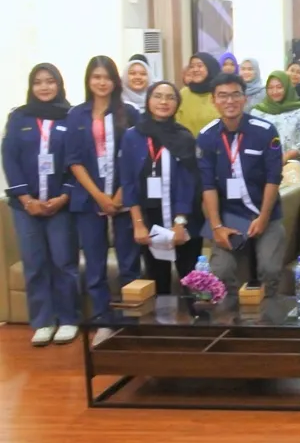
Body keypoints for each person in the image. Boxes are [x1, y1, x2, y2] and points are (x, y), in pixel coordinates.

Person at [3, 64, 79, 346]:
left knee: (63, 262)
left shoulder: (71, 116)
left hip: (61, 205)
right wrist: (27, 200)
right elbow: (9, 159)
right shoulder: (18, 117)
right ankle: (43, 321)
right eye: (38, 82)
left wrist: (64, 197)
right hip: (25, 207)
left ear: (59, 84)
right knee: (34, 264)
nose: (44, 87)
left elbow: (76, 160)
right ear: (31, 86)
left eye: (50, 81)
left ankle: (68, 319)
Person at [198, 73, 286, 310]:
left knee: (269, 268)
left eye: (235, 94)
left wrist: (263, 217)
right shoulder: (206, 137)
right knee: (221, 270)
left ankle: (268, 317)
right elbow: (207, 185)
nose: (230, 101)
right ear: (213, 100)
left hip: (266, 214)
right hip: (230, 217)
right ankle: (232, 317)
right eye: (222, 96)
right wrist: (217, 226)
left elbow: (273, 177)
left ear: (245, 98)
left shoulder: (265, 131)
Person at [67, 56, 142, 331]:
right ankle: (103, 321)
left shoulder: (130, 113)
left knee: (129, 264)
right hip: (89, 199)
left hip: (125, 198)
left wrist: (120, 194)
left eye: (107, 77)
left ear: (115, 81)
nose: (102, 82)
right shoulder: (76, 115)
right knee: (95, 266)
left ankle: (131, 322)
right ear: (89, 80)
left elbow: (138, 157)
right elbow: (73, 160)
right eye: (96, 77)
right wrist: (99, 196)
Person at [120, 81, 203, 296]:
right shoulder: (132, 137)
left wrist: (180, 222)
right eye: (157, 96)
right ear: (148, 100)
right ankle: (164, 319)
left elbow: (189, 183)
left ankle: (196, 316)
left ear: (177, 104)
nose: (163, 102)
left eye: (170, 97)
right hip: (150, 220)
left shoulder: (184, 137)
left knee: (191, 283)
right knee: (158, 284)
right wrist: (138, 224)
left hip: (184, 220)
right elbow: (128, 182)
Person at [251, 71, 300, 162]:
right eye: (270, 88)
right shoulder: (257, 112)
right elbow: (253, 142)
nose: (275, 91)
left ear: (287, 87)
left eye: (279, 87)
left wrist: (286, 157)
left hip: (293, 163)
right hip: (264, 162)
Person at [176, 52, 220, 135]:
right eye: (191, 67)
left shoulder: (220, 93)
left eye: (200, 66)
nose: (195, 70)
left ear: (210, 68)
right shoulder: (183, 94)